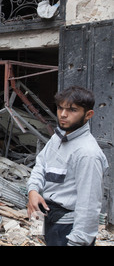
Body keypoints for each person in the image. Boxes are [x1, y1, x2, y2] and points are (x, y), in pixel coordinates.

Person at [26, 85, 109, 246]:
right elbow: (41, 164)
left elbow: (89, 206)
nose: (63, 115)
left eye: (72, 110)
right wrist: (33, 190)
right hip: (52, 223)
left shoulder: (87, 153)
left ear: (88, 115)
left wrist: (77, 242)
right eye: (60, 108)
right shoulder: (59, 136)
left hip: (69, 230)